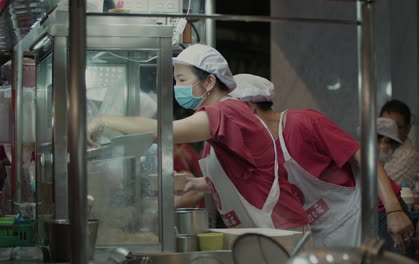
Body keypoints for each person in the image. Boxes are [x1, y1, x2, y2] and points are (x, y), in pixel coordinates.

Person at [88, 44, 309, 230]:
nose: (177, 88)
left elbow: (161, 132)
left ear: (210, 82)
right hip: (264, 226)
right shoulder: (219, 115)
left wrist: (104, 119)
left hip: (280, 227)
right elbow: (246, 172)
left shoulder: (227, 111)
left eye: (182, 80)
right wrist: (198, 183)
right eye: (175, 81)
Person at [225, 73, 414, 250]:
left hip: (376, 212)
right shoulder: (261, 146)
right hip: (335, 225)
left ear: (250, 108)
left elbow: (365, 158)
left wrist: (393, 211)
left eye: (231, 116)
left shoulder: (302, 122)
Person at [376, 117, 413, 253]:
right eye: (392, 145)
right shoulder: (370, 166)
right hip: (386, 216)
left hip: (387, 216)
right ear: (384, 141)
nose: (391, 150)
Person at [380, 100, 419, 187]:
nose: (388, 133)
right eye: (384, 127)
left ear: (408, 129)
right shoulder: (380, 149)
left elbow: (379, 186)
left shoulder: (409, 157)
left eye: (395, 127)